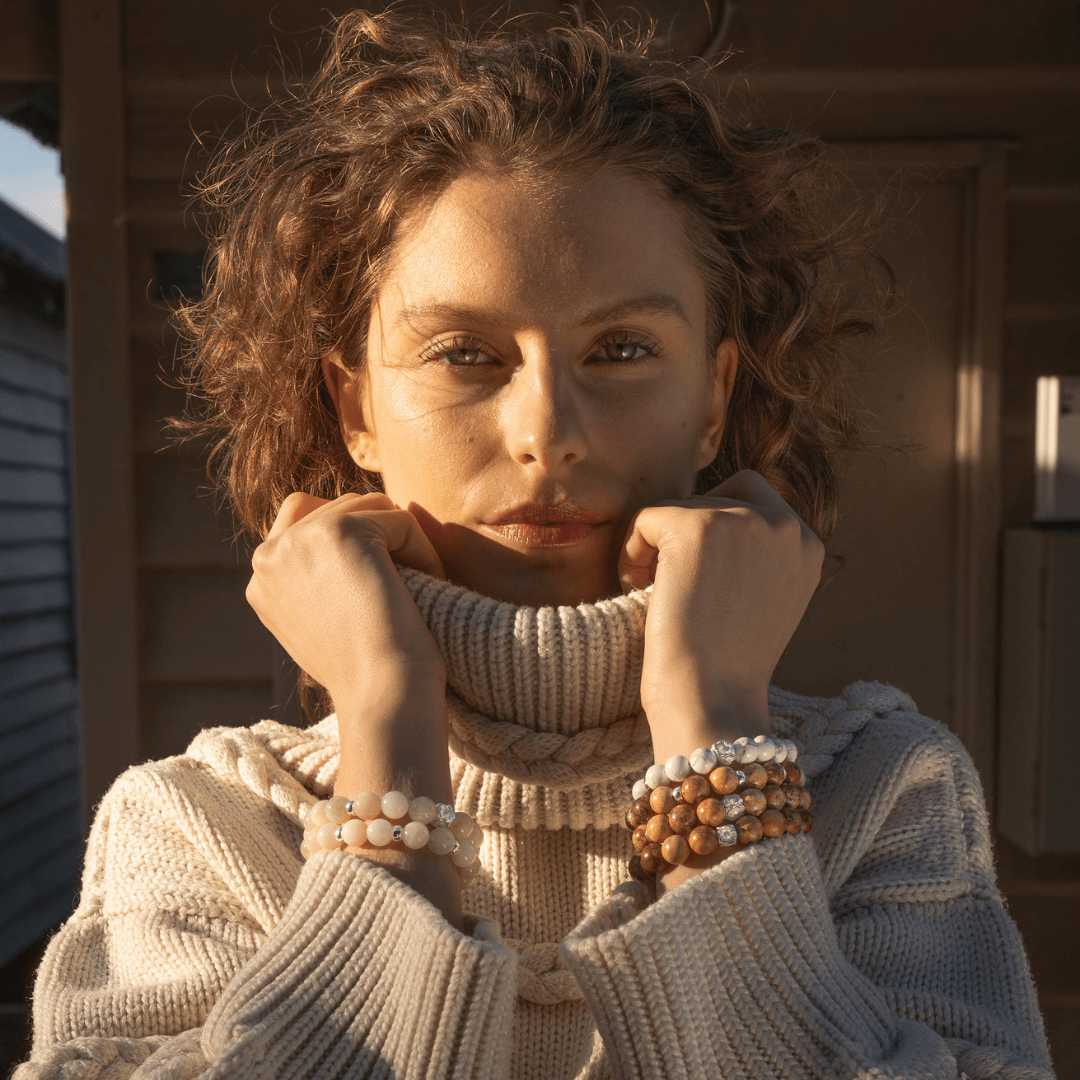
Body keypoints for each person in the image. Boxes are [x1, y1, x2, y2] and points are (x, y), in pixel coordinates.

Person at [16, 12, 1054, 1080]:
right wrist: (384, 724)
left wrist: (712, 735)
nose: (547, 434)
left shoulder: (877, 792)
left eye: (621, 349)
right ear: (355, 408)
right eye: (465, 353)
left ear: (715, 400)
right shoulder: (204, 830)